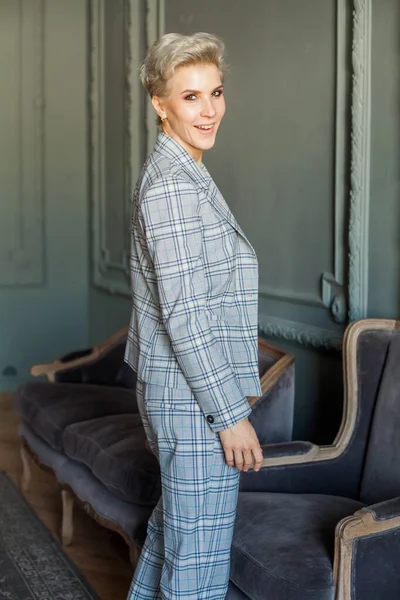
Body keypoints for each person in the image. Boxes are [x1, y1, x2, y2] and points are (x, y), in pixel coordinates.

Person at [124, 32, 263, 600]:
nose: (209, 111)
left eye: (216, 92)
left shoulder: (184, 170)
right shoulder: (173, 188)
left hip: (180, 395)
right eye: (190, 97)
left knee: (173, 545)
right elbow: (185, 314)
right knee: (197, 574)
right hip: (194, 404)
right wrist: (230, 416)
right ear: (160, 103)